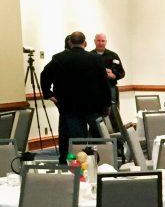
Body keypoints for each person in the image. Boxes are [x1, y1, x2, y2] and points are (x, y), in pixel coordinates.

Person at [40, 31, 112, 164]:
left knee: (69, 135)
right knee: (98, 134)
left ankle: (66, 160)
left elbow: (44, 76)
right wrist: (107, 104)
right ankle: (100, 161)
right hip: (92, 105)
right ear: (85, 43)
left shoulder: (58, 58)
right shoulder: (95, 59)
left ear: (69, 42)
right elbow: (104, 84)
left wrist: (49, 94)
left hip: (68, 105)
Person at [90, 33, 125, 108]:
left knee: (113, 113)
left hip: (111, 87)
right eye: (98, 41)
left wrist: (114, 75)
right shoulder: (89, 56)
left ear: (106, 42)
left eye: (103, 41)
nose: (100, 43)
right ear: (94, 41)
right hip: (95, 89)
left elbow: (122, 73)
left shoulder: (113, 55)